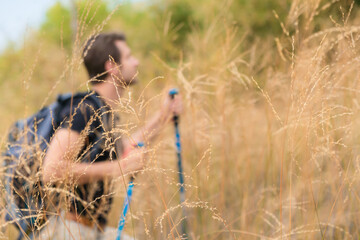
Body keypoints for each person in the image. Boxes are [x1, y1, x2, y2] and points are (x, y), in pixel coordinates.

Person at [40, 32, 183, 239]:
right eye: (129, 57)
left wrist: (163, 116)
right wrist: (121, 168)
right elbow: (51, 171)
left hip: (91, 230)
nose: (137, 62)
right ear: (111, 67)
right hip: (67, 230)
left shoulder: (104, 113)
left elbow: (126, 148)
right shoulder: (85, 110)